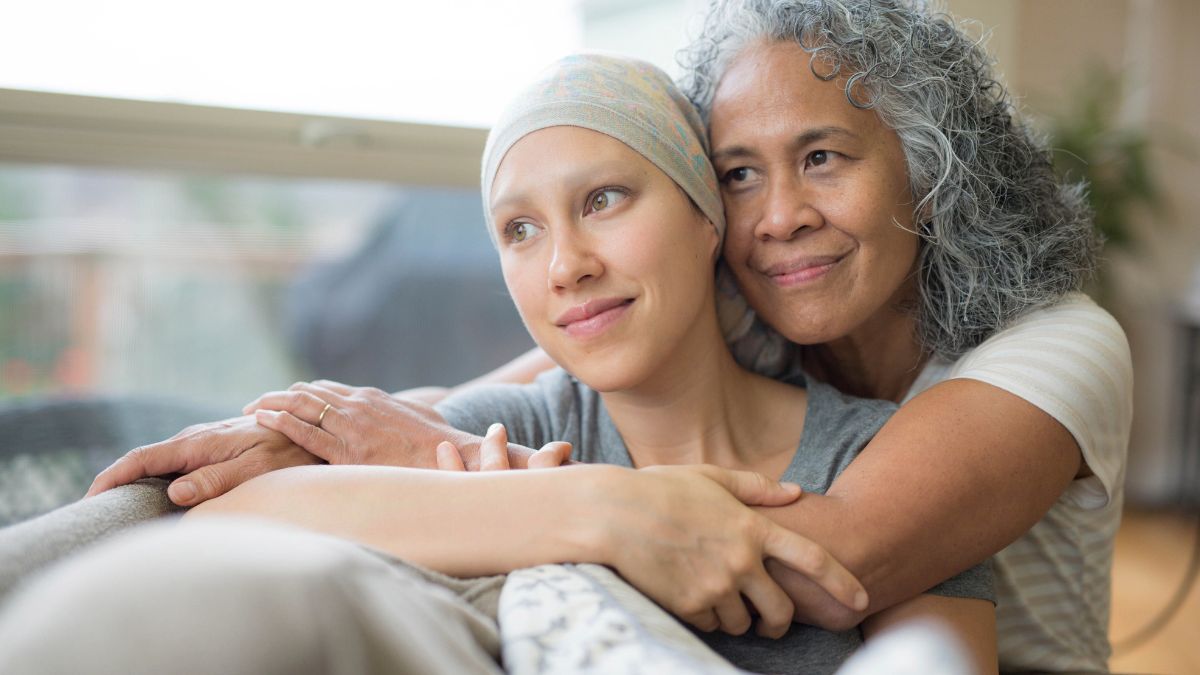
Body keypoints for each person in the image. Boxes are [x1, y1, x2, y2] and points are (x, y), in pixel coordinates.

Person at [87, 1, 1132, 672]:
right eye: (738, 172)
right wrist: (310, 429)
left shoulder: (1058, 345)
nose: (776, 218)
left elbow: (835, 558)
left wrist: (539, 502)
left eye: (821, 158)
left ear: (930, 172)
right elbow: (497, 387)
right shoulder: (745, 306)